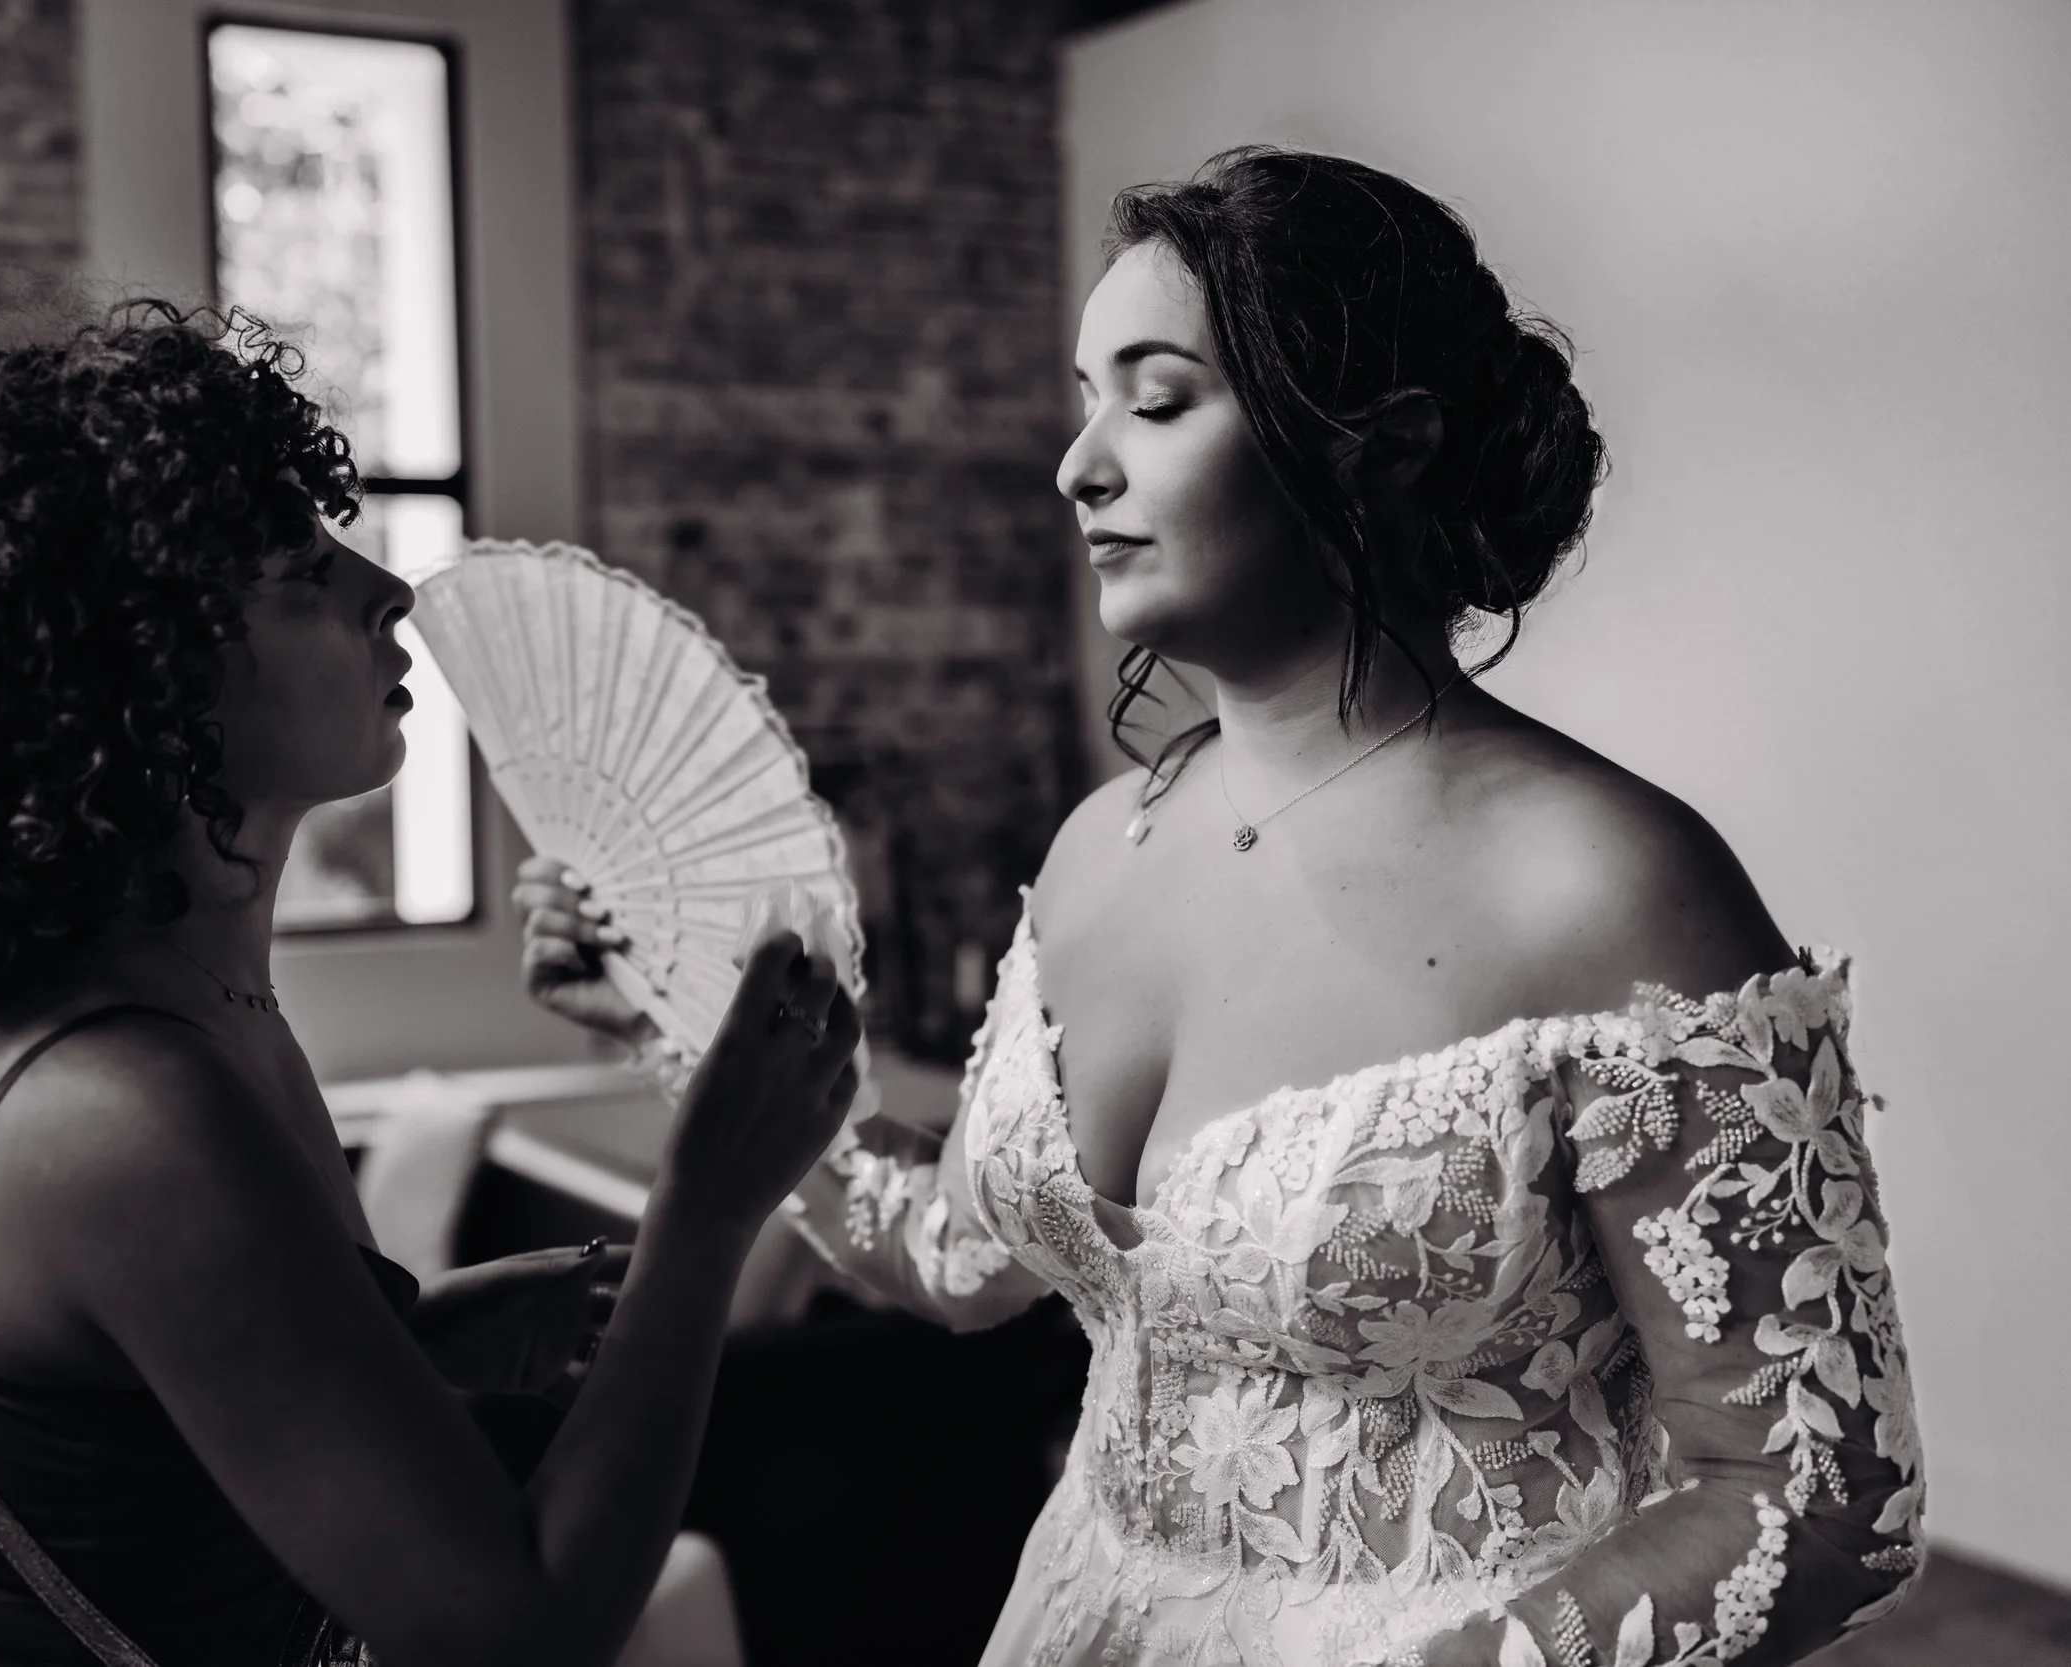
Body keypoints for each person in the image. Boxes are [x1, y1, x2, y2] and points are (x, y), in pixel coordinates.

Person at [516, 148, 1924, 1667]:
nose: (1078, 464)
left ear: (1380, 444)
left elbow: (1820, 1491)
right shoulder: (1092, 852)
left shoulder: (1614, 884)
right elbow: (958, 1258)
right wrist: (680, 1018)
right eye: (1082, 397)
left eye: (1159, 397)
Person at [0, 300, 863, 1667]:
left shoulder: (59, 1003)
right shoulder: (123, 1106)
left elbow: (104, 1426)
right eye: (296, 570)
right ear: (142, 679)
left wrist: (414, 1342)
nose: (389, 591)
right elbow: (523, 1622)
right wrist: (706, 1206)